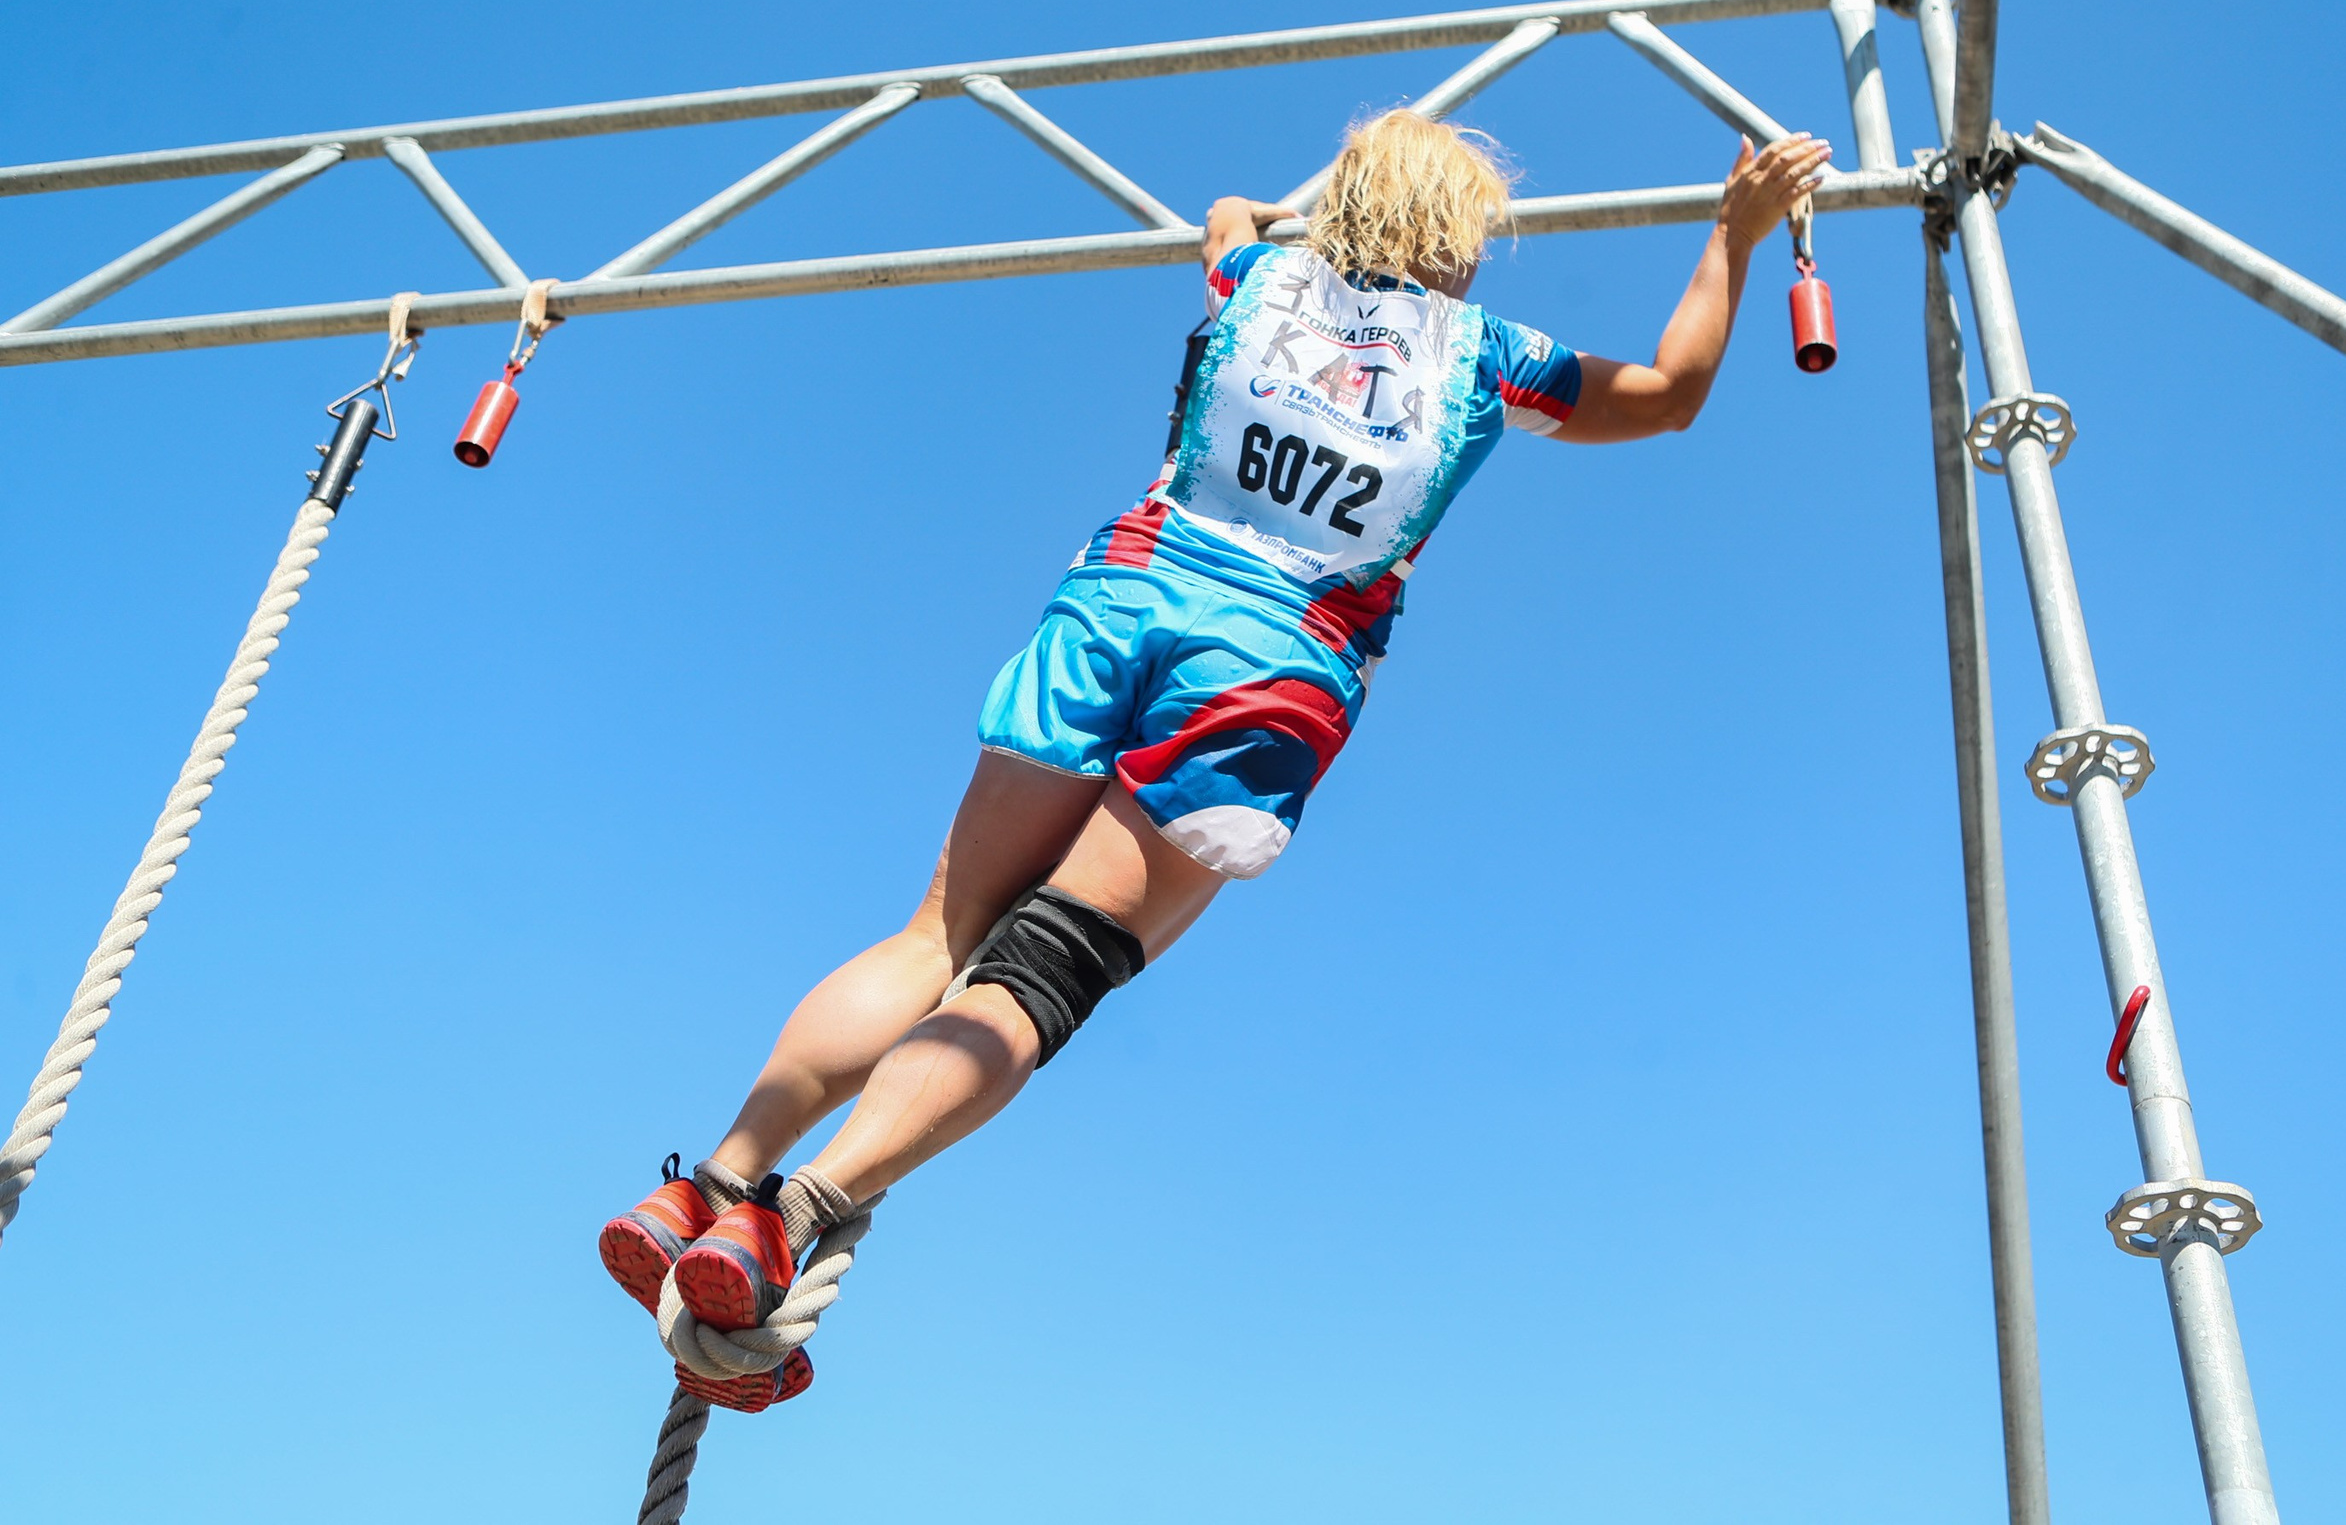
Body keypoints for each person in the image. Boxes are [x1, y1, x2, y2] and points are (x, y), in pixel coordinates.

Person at [598, 110, 1834, 1410]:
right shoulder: (1489, 357)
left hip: (1119, 598)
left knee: (935, 936)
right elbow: (1673, 394)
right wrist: (1733, 234)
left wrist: (1277, 214)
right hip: (1264, 670)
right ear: (1458, 242)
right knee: (1037, 974)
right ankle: (798, 1213)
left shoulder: (1256, 281)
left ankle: (711, 1184)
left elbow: (1232, 213)